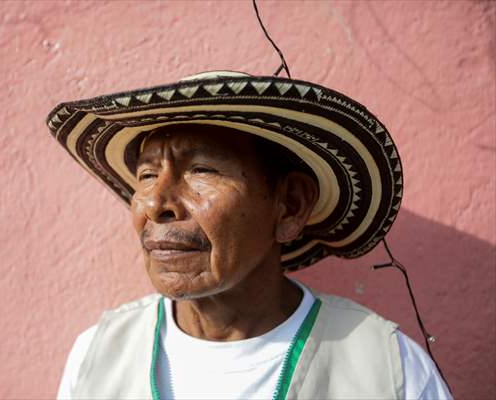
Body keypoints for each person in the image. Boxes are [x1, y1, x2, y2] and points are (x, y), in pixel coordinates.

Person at [47, 71, 452, 399]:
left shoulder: (384, 369)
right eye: (148, 175)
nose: (156, 204)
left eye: (201, 170)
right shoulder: (99, 357)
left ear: (290, 205)